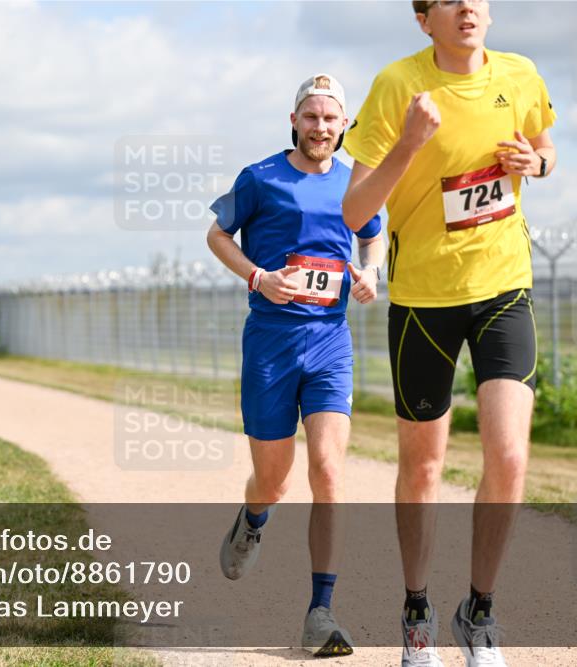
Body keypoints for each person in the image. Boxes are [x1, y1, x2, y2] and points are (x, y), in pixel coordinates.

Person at [341, 2, 557, 665]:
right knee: (423, 467)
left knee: (510, 455)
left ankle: (480, 610)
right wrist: (408, 141)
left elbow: (548, 149)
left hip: (503, 287)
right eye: (448, 0)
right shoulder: (396, 86)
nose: (467, 8)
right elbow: (354, 210)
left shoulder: (520, 75)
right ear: (424, 19)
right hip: (423, 301)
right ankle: (416, 609)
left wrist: (536, 163)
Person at [207, 73, 385, 657]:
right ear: (294, 121)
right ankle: (254, 516)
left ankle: (321, 612)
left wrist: (369, 271)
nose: (321, 127)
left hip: (331, 341)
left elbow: (373, 235)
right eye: (311, 117)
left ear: (344, 124)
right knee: (276, 480)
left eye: (331, 118)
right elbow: (217, 235)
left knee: (330, 472)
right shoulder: (260, 177)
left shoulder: (356, 180)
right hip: (271, 341)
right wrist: (258, 276)